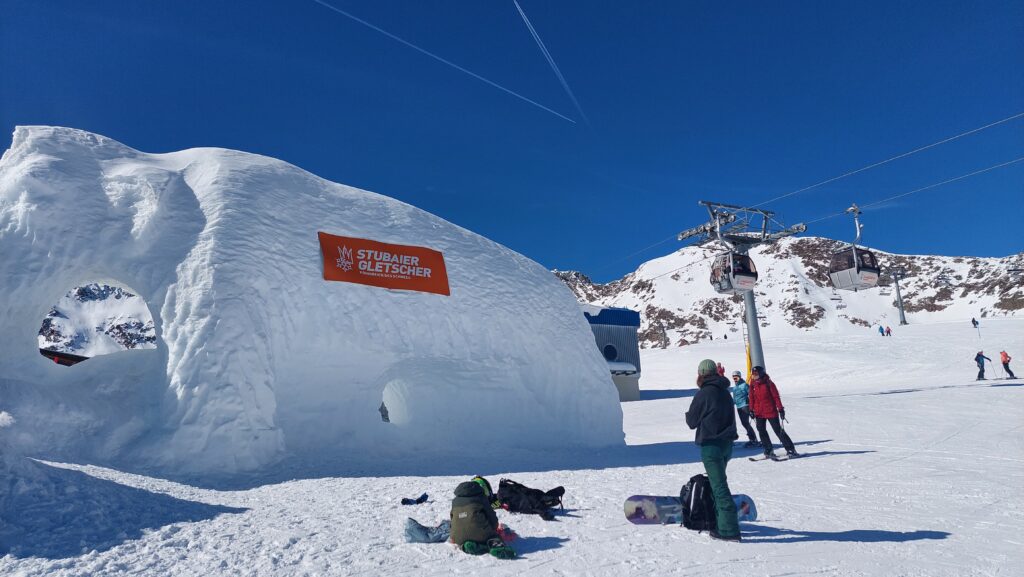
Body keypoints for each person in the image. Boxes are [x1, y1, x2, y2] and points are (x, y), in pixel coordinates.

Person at [685, 359, 741, 542]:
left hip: (711, 446)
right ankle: (718, 520)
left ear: (701, 374)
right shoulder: (725, 392)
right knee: (718, 484)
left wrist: (691, 414)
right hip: (727, 445)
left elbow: (691, 422)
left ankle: (729, 530)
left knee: (719, 487)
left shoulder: (703, 394)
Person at [450, 480, 515, 558]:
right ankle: (493, 548)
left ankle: (465, 546)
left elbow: (452, 518)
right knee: (494, 537)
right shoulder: (481, 498)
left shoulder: (455, 501)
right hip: (480, 533)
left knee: (463, 538)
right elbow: (491, 516)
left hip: (457, 537)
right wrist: (494, 530)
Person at [749, 366, 799, 459]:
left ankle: (791, 449)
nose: (754, 375)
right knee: (761, 431)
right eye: (753, 374)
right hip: (759, 412)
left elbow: (776, 397)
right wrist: (751, 409)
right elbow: (751, 397)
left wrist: (780, 409)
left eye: (756, 373)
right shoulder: (753, 384)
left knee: (778, 431)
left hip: (770, 411)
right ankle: (768, 450)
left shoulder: (769, 383)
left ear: (761, 373)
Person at [729, 370, 759, 448]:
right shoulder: (735, 387)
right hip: (739, 407)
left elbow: (751, 395)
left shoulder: (744, 385)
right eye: (734, 378)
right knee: (744, 423)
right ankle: (752, 439)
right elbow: (735, 398)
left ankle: (753, 439)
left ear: (740, 377)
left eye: (736, 378)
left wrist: (752, 406)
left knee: (746, 423)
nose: (735, 379)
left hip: (745, 406)